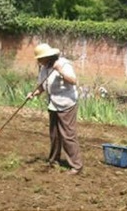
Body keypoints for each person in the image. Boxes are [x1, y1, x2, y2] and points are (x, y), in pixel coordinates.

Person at [27, 43, 83, 175]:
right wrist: (33, 93)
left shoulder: (63, 64)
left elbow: (73, 80)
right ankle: (54, 160)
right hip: (53, 104)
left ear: (47, 56)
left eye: (40, 58)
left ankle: (76, 166)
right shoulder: (44, 68)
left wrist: (60, 71)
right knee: (54, 135)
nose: (39, 61)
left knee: (68, 135)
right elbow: (42, 86)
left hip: (67, 104)